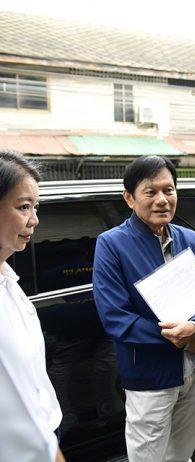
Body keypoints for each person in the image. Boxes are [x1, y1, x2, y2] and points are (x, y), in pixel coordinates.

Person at [93, 155, 195, 462]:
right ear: (129, 198)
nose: (162, 199)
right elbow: (116, 317)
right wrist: (180, 338)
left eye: (169, 190)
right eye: (151, 192)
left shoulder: (189, 239)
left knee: (182, 455)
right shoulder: (111, 244)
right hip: (150, 376)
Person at [0, 150, 65, 462]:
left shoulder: (10, 281)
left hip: (48, 426)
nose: (34, 220)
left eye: (35, 207)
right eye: (24, 206)